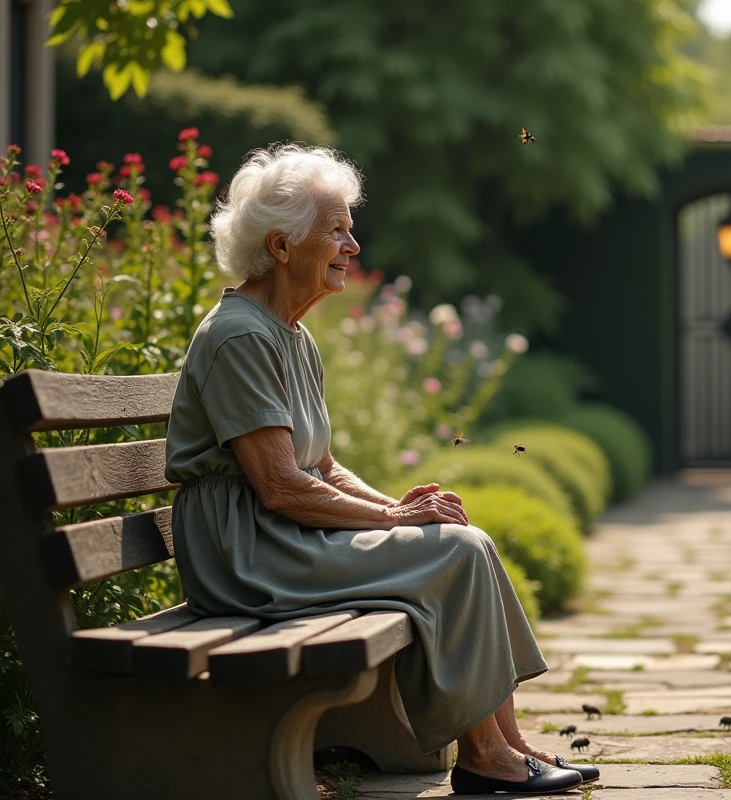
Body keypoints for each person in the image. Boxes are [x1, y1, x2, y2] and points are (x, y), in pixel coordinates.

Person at [164, 144, 596, 795]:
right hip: (246, 554)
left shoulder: (289, 334)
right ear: (282, 246)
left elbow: (325, 467)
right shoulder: (241, 336)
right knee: (454, 552)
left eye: (348, 227)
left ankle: (506, 746)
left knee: (461, 543)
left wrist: (399, 508)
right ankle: (486, 757)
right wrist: (396, 519)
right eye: (335, 229)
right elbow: (281, 486)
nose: (353, 244)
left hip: (278, 537)